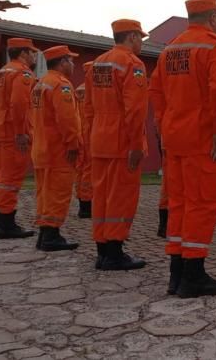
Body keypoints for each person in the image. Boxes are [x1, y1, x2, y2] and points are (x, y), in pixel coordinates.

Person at [149, 0, 216, 298]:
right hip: (202, 138)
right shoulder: (215, 46)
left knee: (179, 204)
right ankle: (193, 275)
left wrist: (163, 126)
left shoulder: (169, 49)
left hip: (175, 137)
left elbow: (155, 91)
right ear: (212, 18)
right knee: (203, 204)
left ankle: (177, 273)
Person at [84, 19, 149, 271]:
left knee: (100, 196)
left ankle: (103, 250)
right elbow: (135, 110)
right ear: (131, 36)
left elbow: (88, 107)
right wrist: (135, 144)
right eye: (140, 38)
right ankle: (114, 252)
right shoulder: (132, 64)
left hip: (99, 138)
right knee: (120, 197)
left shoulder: (98, 63)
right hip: (122, 140)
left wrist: (93, 135)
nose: (142, 43)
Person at [31, 45, 81, 251]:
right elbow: (67, 119)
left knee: (44, 192)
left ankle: (44, 234)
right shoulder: (61, 85)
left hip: (42, 147)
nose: (73, 64)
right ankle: (51, 236)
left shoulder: (40, 84)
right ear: (62, 62)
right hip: (58, 149)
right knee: (58, 192)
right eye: (70, 60)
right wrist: (73, 143)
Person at [0, 38, 39, 239]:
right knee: (10, 178)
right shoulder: (22, 73)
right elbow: (18, 104)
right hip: (12, 131)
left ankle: (0, 219)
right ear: (24, 53)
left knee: (0, 177)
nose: (34, 56)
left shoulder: (0, 73)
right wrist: (20, 132)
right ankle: (7, 224)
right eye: (32, 52)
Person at [74, 61, 93, 218]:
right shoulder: (92, 89)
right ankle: (86, 205)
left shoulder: (78, 89)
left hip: (79, 133)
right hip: (90, 133)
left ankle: (82, 200)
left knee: (80, 169)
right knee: (89, 170)